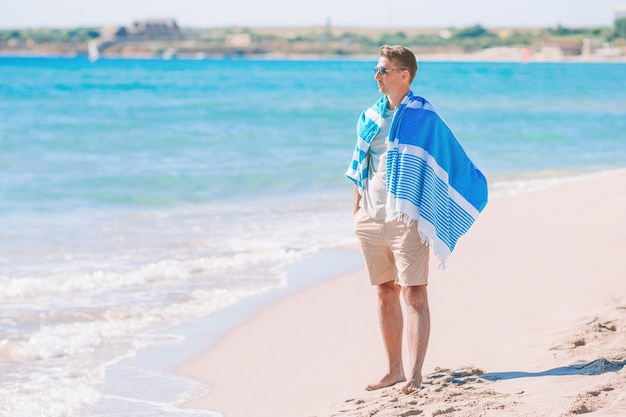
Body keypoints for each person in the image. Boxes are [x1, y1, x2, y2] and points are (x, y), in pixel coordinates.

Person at [346, 45, 488, 395]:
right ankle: (393, 370)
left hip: (406, 219)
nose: (376, 75)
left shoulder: (425, 118)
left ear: (404, 75)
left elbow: (449, 161)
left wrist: (435, 208)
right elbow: (361, 166)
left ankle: (416, 373)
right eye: (376, 69)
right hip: (371, 217)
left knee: (415, 295)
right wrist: (356, 209)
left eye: (383, 70)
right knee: (384, 293)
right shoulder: (370, 117)